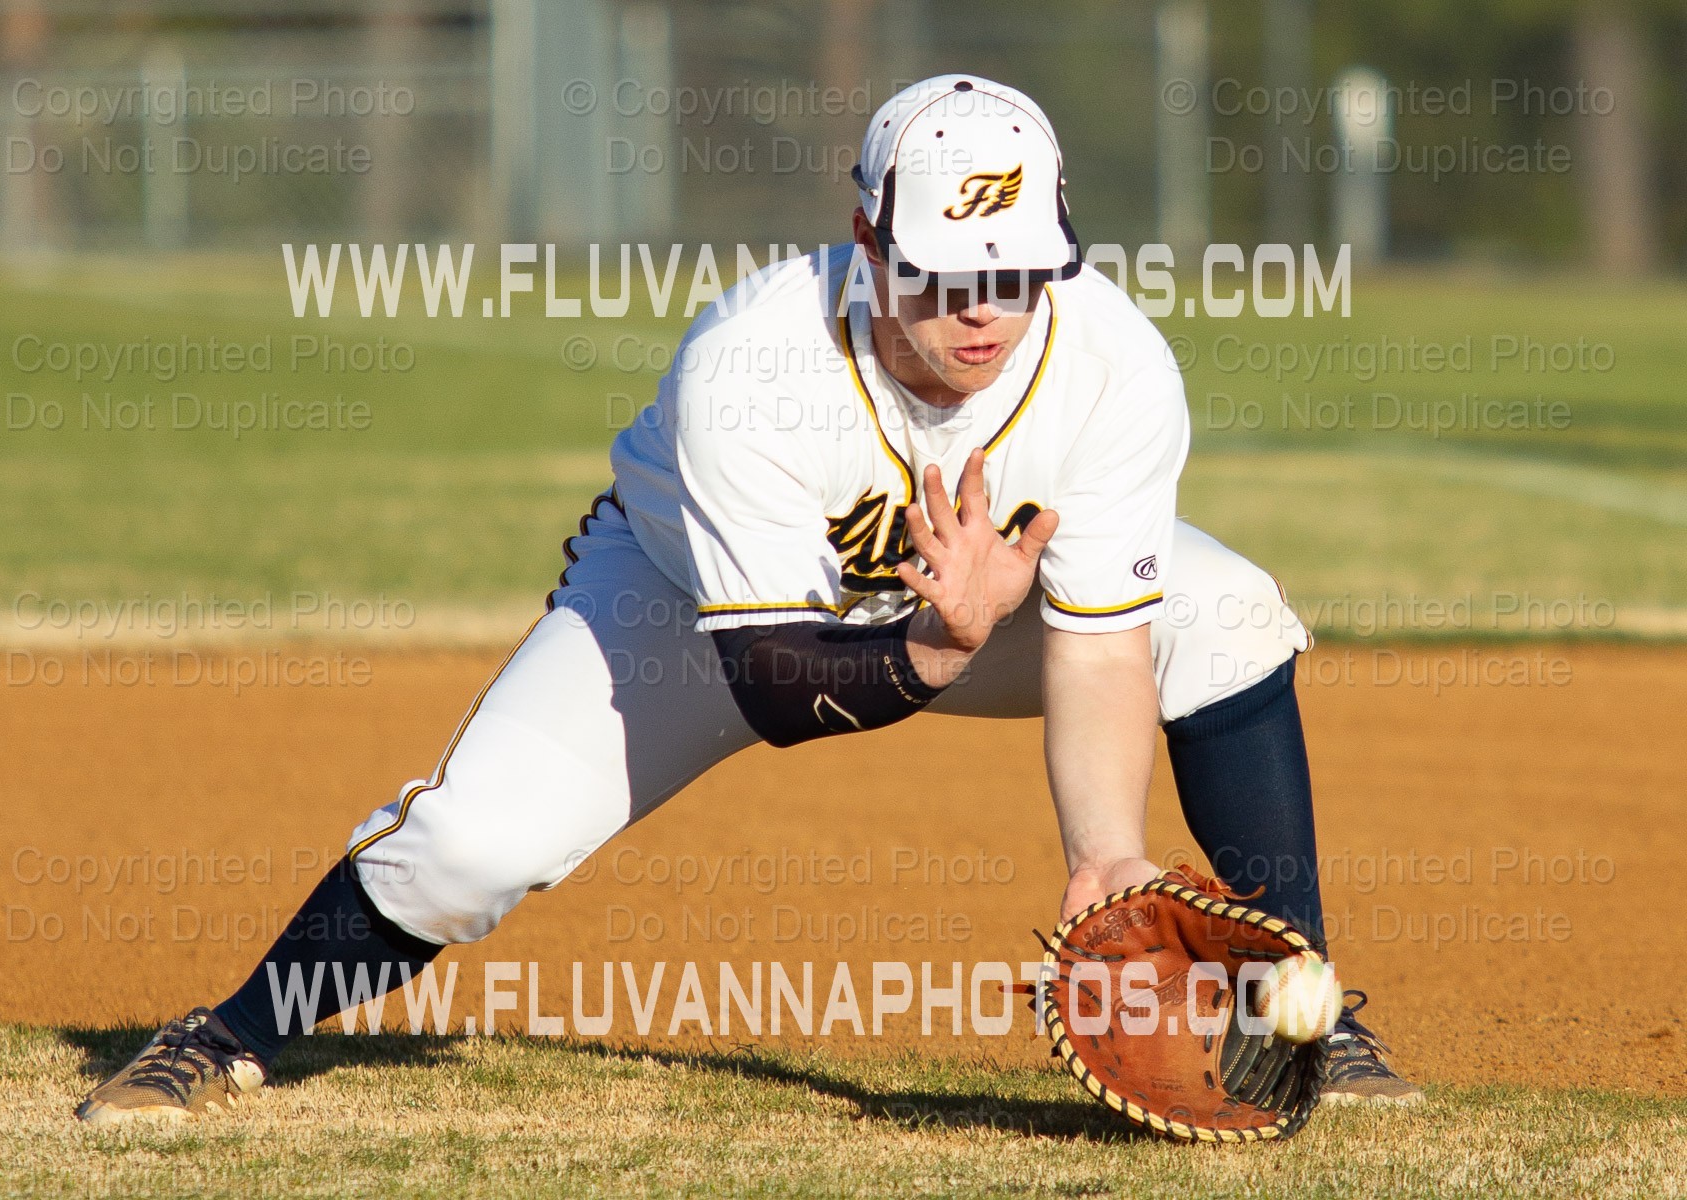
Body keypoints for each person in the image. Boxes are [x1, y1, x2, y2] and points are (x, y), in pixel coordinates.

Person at [76, 74, 1418, 1123]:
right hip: (690, 612)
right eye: (947, 277)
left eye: (1014, 272)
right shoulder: (754, 364)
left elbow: (1103, 649)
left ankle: (1301, 1016)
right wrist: (940, 650)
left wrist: (1103, 857)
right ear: (865, 243)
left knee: (1225, 609)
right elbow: (778, 684)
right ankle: (228, 1032)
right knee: (471, 849)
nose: (983, 312)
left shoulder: (1113, 365)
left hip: (971, 611)